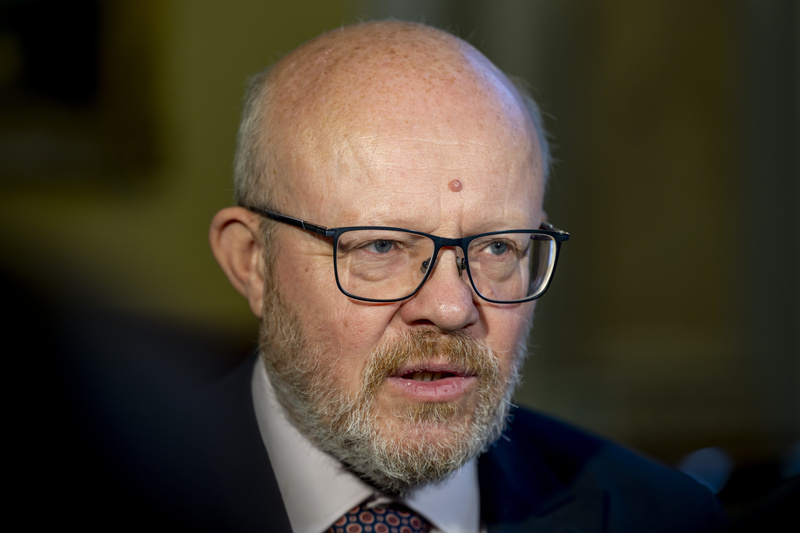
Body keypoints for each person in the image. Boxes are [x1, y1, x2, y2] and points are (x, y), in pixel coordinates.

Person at [203, 20, 726, 533]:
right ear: (252, 260)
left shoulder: (663, 519)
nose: (452, 308)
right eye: (382, 246)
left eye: (497, 247)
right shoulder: (161, 488)